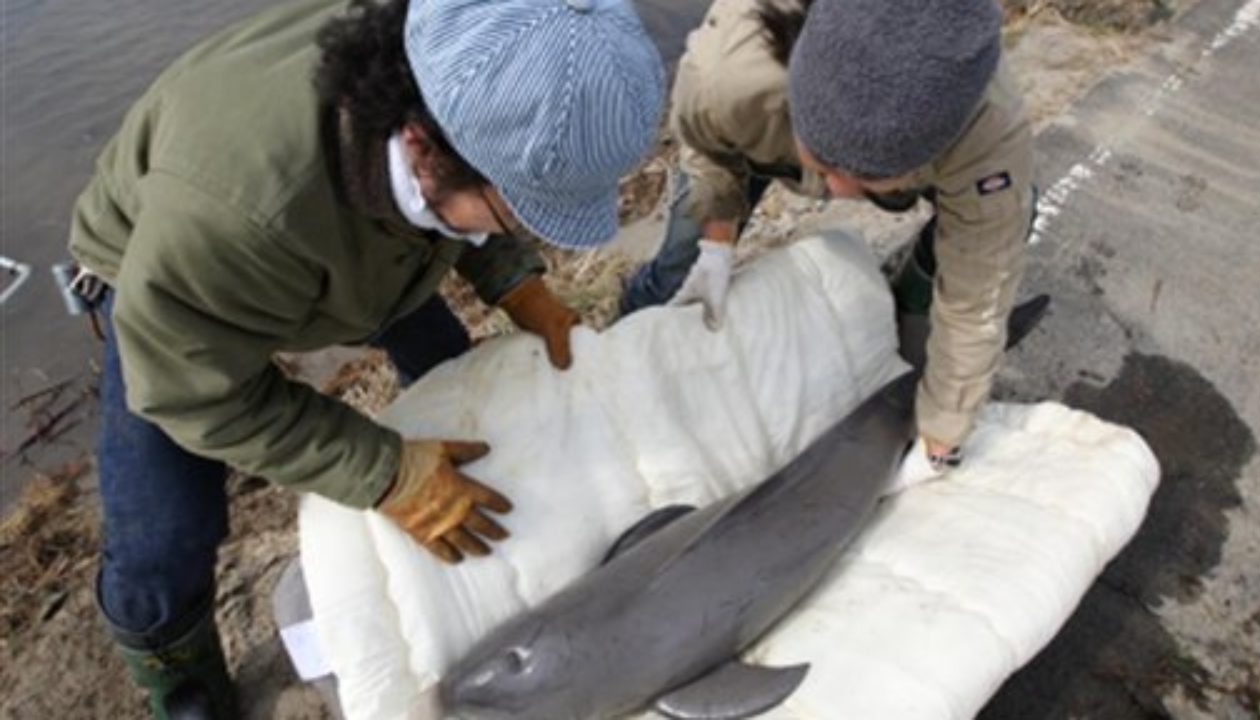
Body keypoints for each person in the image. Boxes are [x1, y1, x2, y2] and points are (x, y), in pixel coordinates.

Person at [66, 0, 663, 715]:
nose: (522, 227)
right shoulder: (233, 222)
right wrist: (381, 471)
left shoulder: (466, 52)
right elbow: (195, 391)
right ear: (424, 149)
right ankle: (182, 689)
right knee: (164, 534)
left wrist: (515, 282)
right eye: (519, 212)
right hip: (171, 285)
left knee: (448, 368)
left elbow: (497, 174)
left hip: (373, 231)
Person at [619, 0, 1037, 483]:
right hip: (768, 120)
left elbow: (978, 292)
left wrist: (944, 432)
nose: (835, 194)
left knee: (1004, 222)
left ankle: (904, 304)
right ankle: (633, 322)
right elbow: (709, 145)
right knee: (679, 262)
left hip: (912, 152)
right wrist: (716, 245)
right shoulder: (730, 70)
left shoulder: (988, 142)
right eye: (825, 164)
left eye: (865, 179)